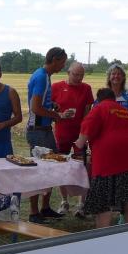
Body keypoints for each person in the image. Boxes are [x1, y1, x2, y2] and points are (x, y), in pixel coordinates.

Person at [74, 88, 128, 228]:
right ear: (113, 99)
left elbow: (82, 138)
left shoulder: (99, 108)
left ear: (98, 100)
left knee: (103, 200)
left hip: (111, 159)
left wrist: (78, 144)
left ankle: (103, 232)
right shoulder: (125, 111)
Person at [27, 47, 70, 223]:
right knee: (39, 172)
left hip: (43, 130)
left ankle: (45, 208)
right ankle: (33, 212)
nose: (63, 65)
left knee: (50, 169)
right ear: (54, 60)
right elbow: (35, 107)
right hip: (38, 132)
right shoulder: (41, 77)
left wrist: (51, 104)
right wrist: (56, 115)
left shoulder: (44, 75)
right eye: (62, 62)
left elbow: (40, 102)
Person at [52, 61, 93, 217]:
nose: (79, 78)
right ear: (68, 73)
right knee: (61, 168)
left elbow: (88, 114)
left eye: (81, 75)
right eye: (76, 75)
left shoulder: (86, 88)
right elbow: (49, 110)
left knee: (82, 168)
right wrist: (60, 115)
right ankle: (64, 201)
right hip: (61, 134)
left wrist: (85, 133)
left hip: (79, 136)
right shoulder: (56, 87)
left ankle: (81, 204)